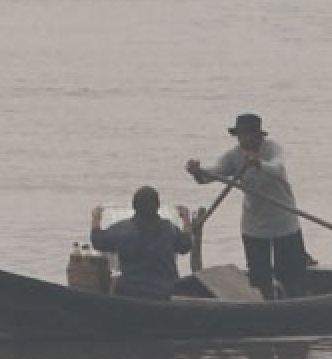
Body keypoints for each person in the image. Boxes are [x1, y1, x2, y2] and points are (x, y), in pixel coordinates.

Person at [186, 113, 307, 299]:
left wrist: (258, 163)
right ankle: (267, 307)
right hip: (254, 226)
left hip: (284, 222)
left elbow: (278, 168)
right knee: (260, 279)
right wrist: (197, 172)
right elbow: (212, 174)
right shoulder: (234, 156)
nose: (244, 139)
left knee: (291, 276)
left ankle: (294, 306)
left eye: (249, 135)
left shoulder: (273, 149)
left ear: (259, 136)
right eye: (241, 135)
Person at [90, 186, 193, 300]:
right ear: (157, 206)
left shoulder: (122, 229)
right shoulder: (169, 230)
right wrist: (186, 220)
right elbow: (186, 245)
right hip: (165, 291)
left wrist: (96, 219)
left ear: (134, 206)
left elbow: (98, 242)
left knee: (114, 282)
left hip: (131, 291)